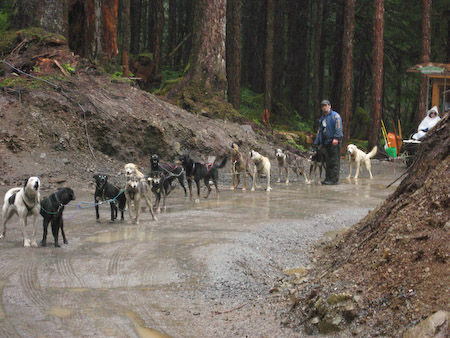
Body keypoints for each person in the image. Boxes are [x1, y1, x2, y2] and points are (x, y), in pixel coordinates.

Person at [314, 100, 343, 185]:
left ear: (329, 106)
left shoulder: (335, 116)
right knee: (327, 161)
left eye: (325, 106)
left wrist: (336, 138)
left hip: (334, 141)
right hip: (325, 142)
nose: (324, 107)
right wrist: (317, 142)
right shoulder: (322, 118)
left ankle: (334, 179)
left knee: (334, 161)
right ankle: (328, 178)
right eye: (322, 106)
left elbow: (338, 128)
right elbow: (320, 131)